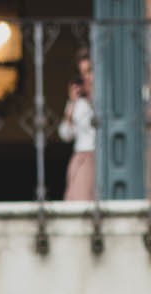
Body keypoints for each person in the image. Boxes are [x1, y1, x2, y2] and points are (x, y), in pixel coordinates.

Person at [59, 47, 96, 201]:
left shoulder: (103, 98)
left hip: (99, 156)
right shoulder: (77, 103)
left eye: (89, 71)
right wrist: (72, 103)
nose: (86, 77)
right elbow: (65, 134)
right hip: (82, 157)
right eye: (82, 73)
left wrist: (91, 98)